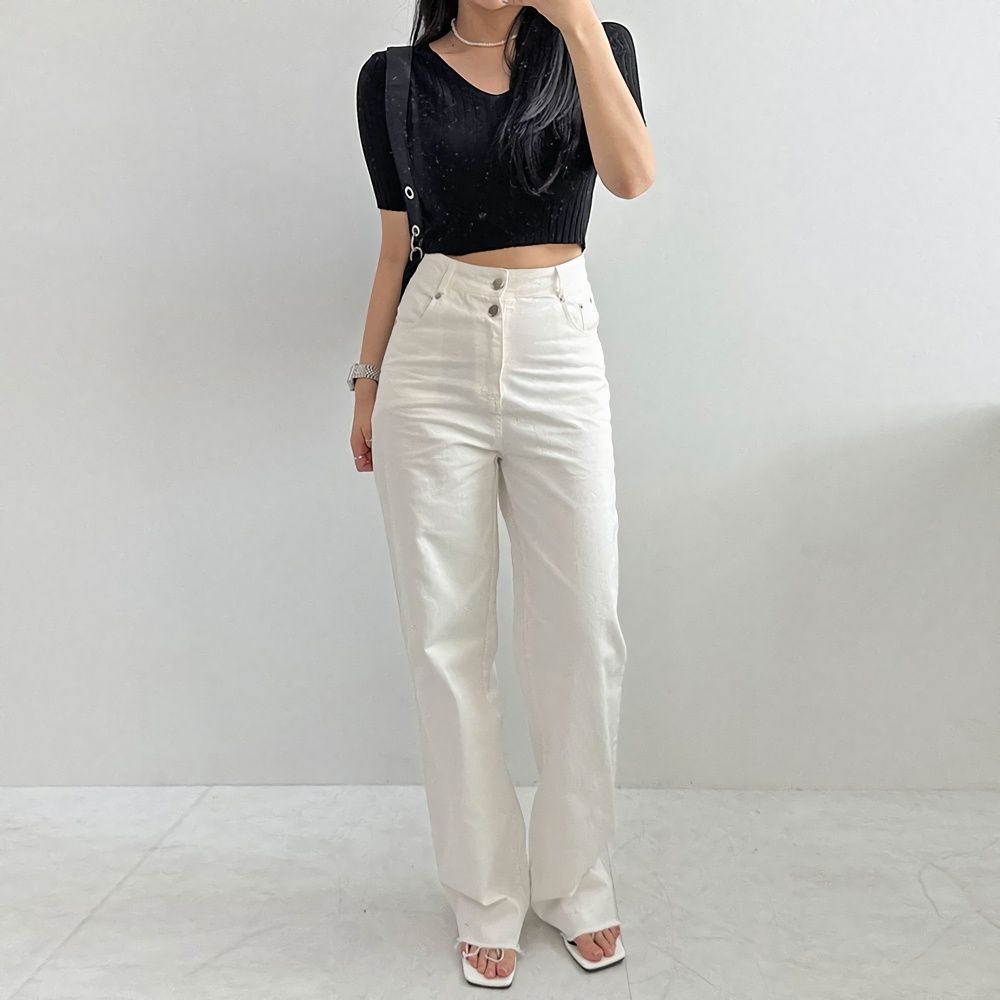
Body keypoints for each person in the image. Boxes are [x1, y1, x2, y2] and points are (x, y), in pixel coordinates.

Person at [350, 0, 653, 986]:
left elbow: (631, 177)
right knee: (446, 640)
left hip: (557, 342)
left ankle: (577, 884)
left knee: (583, 630)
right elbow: (396, 244)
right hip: (430, 350)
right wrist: (367, 381)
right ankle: (484, 892)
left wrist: (576, 23)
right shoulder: (394, 79)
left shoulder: (595, 45)